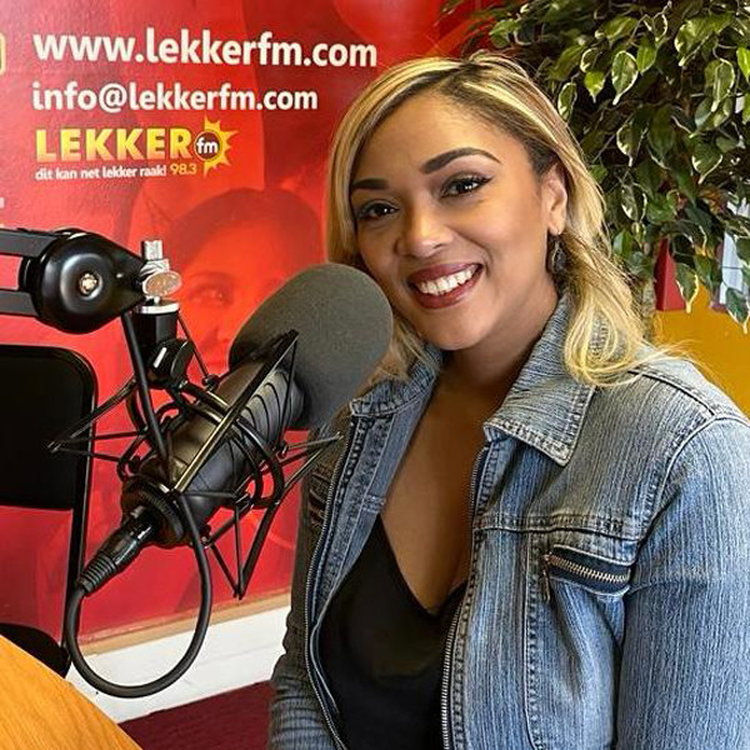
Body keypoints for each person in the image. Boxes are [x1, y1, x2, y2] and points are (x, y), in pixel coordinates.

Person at [268, 52, 750, 750]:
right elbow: (306, 677)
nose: (419, 236)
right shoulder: (356, 416)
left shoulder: (687, 452)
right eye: (379, 209)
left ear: (553, 195)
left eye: (462, 185)